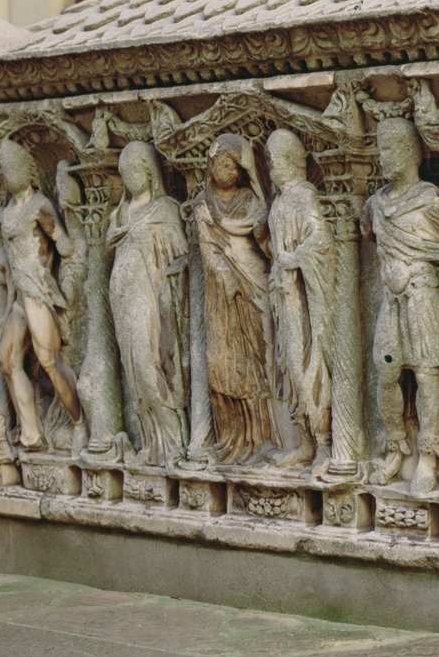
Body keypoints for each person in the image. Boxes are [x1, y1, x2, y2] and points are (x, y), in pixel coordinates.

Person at [361, 118, 439, 494]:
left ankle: (429, 456)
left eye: (389, 149)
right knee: (385, 372)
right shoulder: (375, 204)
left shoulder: (430, 201)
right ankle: (397, 447)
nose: (382, 157)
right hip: (391, 299)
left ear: (410, 153)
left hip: (422, 295)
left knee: (426, 374)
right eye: (380, 149)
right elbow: (367, 233)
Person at [0, 138, 85, 452]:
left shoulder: (39, 205)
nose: (10, 174)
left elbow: (64, 243)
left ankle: (79, 422)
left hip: (38, 290)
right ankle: (31, 434)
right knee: (7, 361)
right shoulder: (8, 211)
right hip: (19, 296)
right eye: (5, 169)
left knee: (48, 360)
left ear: (28, 170)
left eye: (14, 167)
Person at [107, 141, 189, 467]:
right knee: (134, 374)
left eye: (134, 170)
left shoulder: (164, 209)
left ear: (149, 172)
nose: (129, 177)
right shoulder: (119, 214)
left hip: (150, 298)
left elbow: (179, 255)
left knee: (148, 365)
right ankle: (152, 444)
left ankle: (174, 441)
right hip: (123, 301)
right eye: (123, 172)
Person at [194, 133, 273, 464]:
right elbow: (208, 250)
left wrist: (263, 228)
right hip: (220, 293)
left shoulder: (251, 201)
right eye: (219, 163)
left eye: (231, 165)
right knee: (221, 365)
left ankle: (262, 437)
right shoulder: (203, 206)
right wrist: (225, 275)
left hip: (254, 284)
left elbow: (266, 241)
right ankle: (231, 437)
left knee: (256, 362)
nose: (224, 170)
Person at [265, 129, 334, 473]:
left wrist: (294, 259)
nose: (269, 168)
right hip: (284, 298)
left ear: (291, 161)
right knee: (290, 371)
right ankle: (304, 442)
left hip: (304, 299)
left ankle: (324, 443)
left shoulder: (304, 197)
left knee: (309, 367)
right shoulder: (278, 203)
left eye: (273, 160)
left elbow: (322, 239)